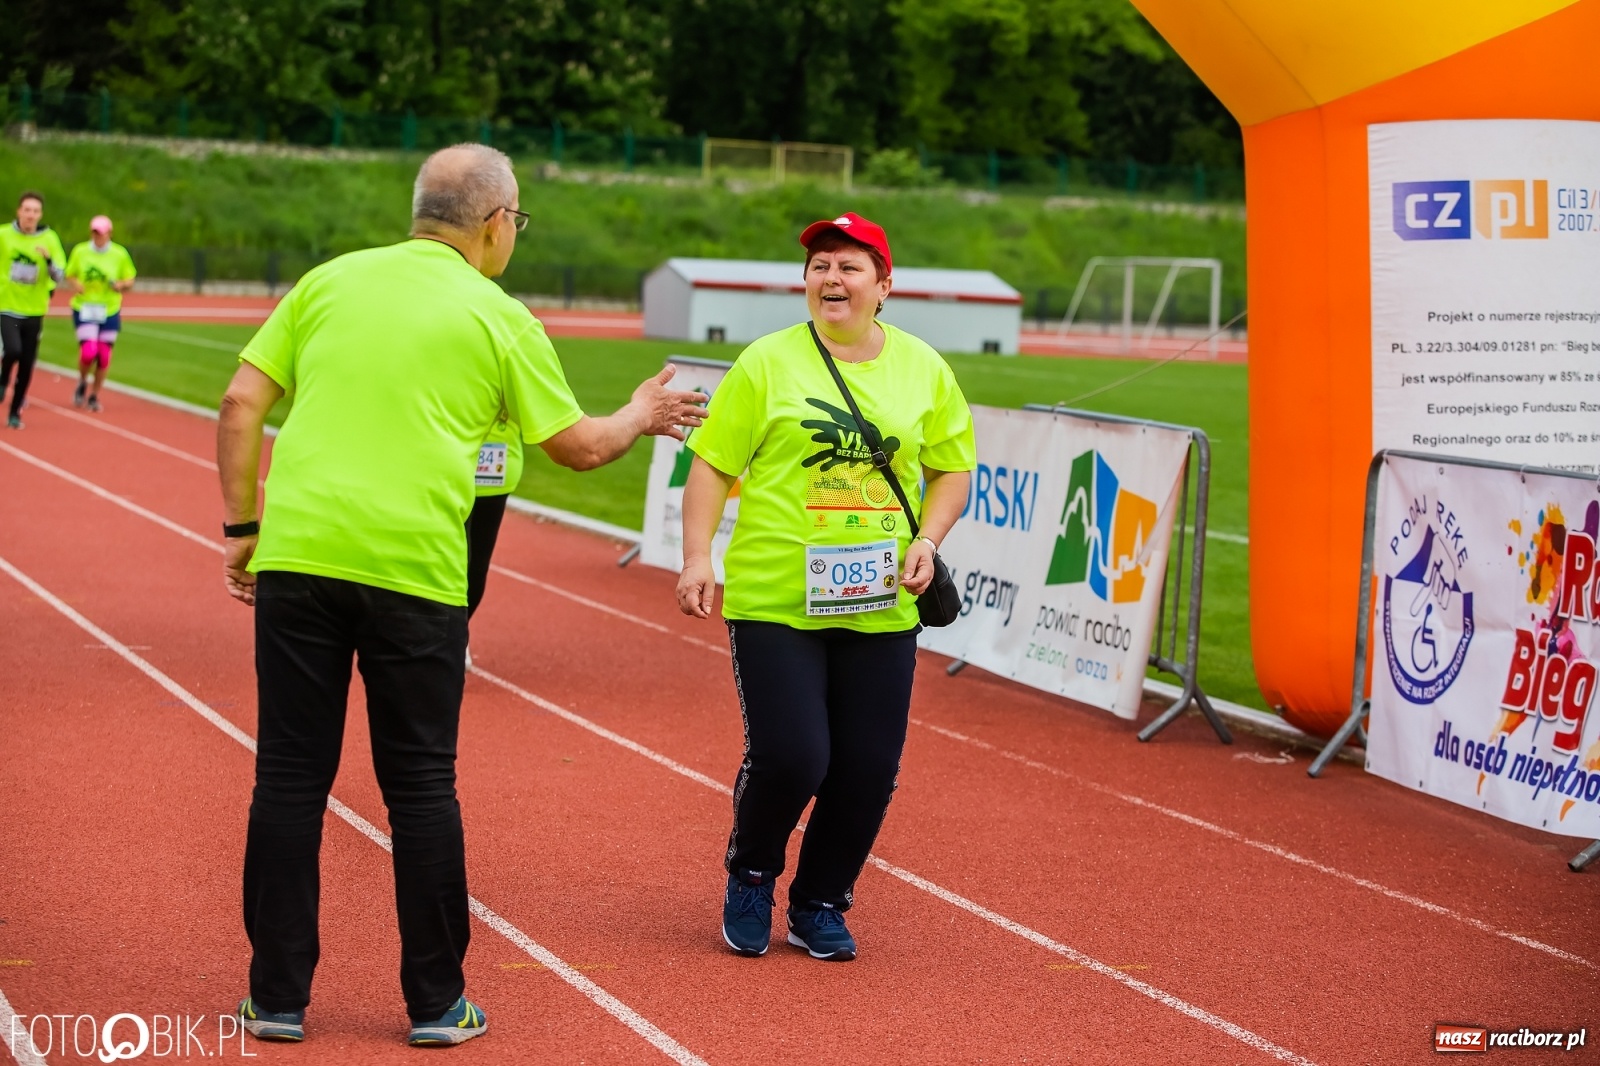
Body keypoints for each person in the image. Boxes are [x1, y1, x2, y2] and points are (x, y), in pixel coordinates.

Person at [215, 143, 706, 1047]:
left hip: (302, 559)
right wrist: (642, 412)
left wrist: (243, 530)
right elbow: (581, 447)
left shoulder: (327, 282)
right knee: (420, 789)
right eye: (517, 222)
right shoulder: (498, 314)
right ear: (494, 224)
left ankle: (276, 998)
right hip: (417, 574)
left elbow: (242, 404)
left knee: (288, 778)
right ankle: (437, 1004)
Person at [675, 212, 975, 962]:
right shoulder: (766, 363)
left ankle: (819, 901)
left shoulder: (924, 368)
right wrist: (695, 556)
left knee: (867, 768)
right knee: (794, 756)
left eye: (849, 266)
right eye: (820, 267)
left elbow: (952, 470)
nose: (832, 279)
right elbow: (712, 464)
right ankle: (751, 872)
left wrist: (929, 542)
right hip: (777, 599)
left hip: (879, 605)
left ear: (884, 284)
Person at [0, 191, 66, 429]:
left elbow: (60, 275)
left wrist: (48, 261)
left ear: (40, 215)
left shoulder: (49, 238)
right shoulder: (4, 235)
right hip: (7, 306)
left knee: (27, 364)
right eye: (27, 210)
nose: (30, 215)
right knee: (13, 349)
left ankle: (15, 411)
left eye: (35, 211)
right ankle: (3, 377)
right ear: (18, 211)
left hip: (35, 309)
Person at [63, 215, 137, 412]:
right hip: (85, 306)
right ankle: (81, 381)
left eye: (101, 233)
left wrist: (120, 285)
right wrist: (76, 284)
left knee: (104, 356)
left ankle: (94, 394)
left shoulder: (119, 254)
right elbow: (69, 274)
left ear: (109, 234)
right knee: (88, 352)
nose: (98, 236)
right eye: (95, 232)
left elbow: (130, 279)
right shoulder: (81, 251)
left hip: (109, 308)